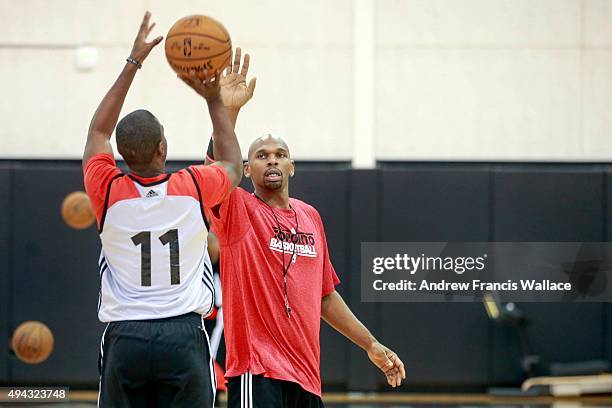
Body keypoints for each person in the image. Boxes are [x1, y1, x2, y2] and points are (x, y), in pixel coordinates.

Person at [202, 48, 406, 408]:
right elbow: (216, 170)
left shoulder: (310, 216)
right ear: (246, 171)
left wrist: (370, 343)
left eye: (279, 154)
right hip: (256, 372)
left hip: (307, 376)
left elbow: (324, 297)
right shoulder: (239, 211)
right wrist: (228, 111)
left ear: (292, 166)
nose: (272, 159)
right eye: (261, 156)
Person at [82, 12, 242, 407]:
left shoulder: (107, 189)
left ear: (120, 155)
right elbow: (233, 166)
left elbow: (98, 132)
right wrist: (213, 101)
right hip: (183, 336)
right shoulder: (192, 186)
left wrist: (133, 61)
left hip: (126, 337)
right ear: (163, 149)